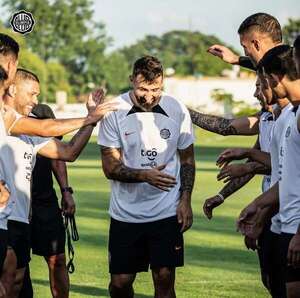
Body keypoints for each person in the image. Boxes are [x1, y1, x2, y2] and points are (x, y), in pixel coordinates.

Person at [2, 68, 117, 297]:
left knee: (15, 284)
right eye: (32, 94)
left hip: (21, 217)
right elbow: (47, 127)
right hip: (3, 219)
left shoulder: (29, 128)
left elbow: (69, 152)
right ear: (13, 89)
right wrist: (89, 117)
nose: (36, 101)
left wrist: (90, 123)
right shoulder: (6, 116)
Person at [98, 55, 195, 298]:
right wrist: (145, 175)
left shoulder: (177, 109)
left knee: (164, 280)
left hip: (166, 212)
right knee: (120, 283)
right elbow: (110, 167)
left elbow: (187, 160)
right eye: (143, 89)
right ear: (131, 80)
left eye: (156, 89)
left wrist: (185, 199)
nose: (150, 96)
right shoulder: (114, 111)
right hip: (125, 214)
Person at [237, 45, 300, 298]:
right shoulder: (290, 115)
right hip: (285, 226)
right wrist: (258, 205)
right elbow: (290, 179)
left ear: (272, 79)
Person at [20, 103, 75, 298]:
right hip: (14, 203)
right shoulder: (5, 116)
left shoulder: (42, 112)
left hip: (44, 201)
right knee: (16, 265)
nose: (34, 97)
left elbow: (57, 155)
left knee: (57, 259)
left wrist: (66, 191)